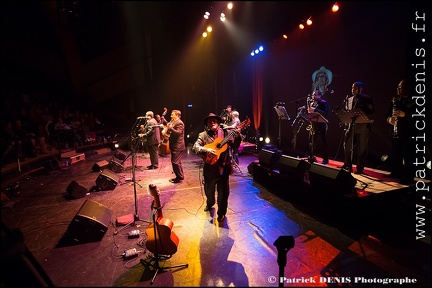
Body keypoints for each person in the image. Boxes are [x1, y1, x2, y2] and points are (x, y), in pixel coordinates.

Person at [193, 113, 238, 223]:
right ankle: (210, 203)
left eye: (214, 120)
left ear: (218, 123)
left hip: (224, 167)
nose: (212, 122)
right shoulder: (203, 135)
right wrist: (206, 150)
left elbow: (235, 146)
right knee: (209, 191)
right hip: (210, 168)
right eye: (209, 121)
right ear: (207, 125)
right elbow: (195, 147)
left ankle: (221, 213)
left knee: (223, 193)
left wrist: (237, 137)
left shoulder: (226, 133)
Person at [340, 81, 374, 174]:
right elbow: (347, 111)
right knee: (347, 144)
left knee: (362, 149)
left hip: (363, 127)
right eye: (352, 88)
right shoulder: (350, 99)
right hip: (351, 126)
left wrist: (362, 110)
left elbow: (371, 111)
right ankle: (347, 164)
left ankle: (359, 169)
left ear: (361, 89)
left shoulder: (366, 98)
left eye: (355, 88)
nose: (352, 90)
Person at [384, 79, 415, 184]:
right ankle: (396, 172)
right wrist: (390, 120)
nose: (398, 89)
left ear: (407, 89)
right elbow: (387, 116)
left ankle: (409, 177)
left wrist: (405, 114)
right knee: (396, 153)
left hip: (408, 133)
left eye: (400, 87)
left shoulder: (414, 100)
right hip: (397, 131)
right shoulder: (395, 100)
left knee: (408, 155)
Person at [307, 89, 329, 164]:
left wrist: (315, 110)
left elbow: (325, 113)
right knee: (312, 142)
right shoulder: (312, 103)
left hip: (322, 124)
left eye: (315, 95)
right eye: (313, 95)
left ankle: (325, 159)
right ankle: (312, 156)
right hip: (314, 125)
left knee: (323, 142)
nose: (313, 96)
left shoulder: (323, 103)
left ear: (319, 95)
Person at [164, 110, 186, 183]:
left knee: (175, 162)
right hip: (174, 145)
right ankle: (180, 176)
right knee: (177, 162)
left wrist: (170, 128)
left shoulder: (179, 123)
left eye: (172, 114)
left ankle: (179, 177)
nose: (170, 116)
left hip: (178, 146)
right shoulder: (173, 122)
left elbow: (178, 133)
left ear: (177, 115)